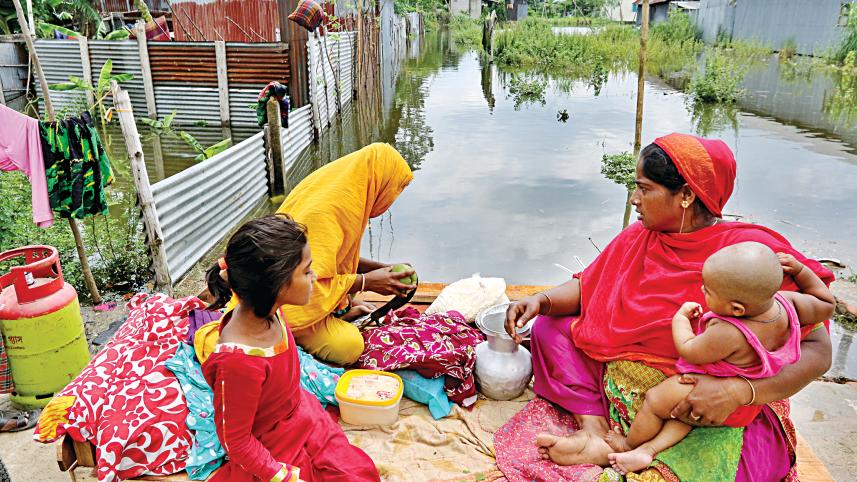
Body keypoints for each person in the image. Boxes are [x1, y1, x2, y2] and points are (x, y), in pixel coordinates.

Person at [504, 133, 834, 481]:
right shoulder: (640, 237)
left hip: (704, 402)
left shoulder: (751, 259)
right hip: (639, 389)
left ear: (687, 196)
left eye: (644, 189)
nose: (634, 199)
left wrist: (738, 391)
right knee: (549, 327)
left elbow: (818, 350)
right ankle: (595, 429)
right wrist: (541, 300)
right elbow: (591, 286)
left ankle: (651, 447)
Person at [603, 242, 835, 475]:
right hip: (748, 403)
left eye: (708, 291)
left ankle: (629, 445)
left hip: (713, 394)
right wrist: (801, 271)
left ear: (736, 309)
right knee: (684, 418)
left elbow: (690, 349)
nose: (702, 291)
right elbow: (827, 304)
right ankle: (648, 451)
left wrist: (681, 318)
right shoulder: (789, 303)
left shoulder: (728, 331)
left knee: (655, 402)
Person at [203, 214, 380, 482]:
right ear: (277, 283)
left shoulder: (270, 309)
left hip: (301, 417)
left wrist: (345, 313)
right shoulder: (238, 362)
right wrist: (279, 475)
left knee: (356, 474)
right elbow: (236, 441)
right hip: (271, 451)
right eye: (307, 271)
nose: (315, 275)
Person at [275, 143, 416, 365]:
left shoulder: (343, 192)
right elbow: (303, 284)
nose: (391, 200)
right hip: (284, 301)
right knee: (350, 346)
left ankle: (337, 314)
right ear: (379, 183)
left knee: (351, 296)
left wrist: (380, 270)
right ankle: (297, 332)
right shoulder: (326, 213)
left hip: (302, 283)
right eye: (393, 190)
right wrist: (366, 283)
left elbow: (333, 260)